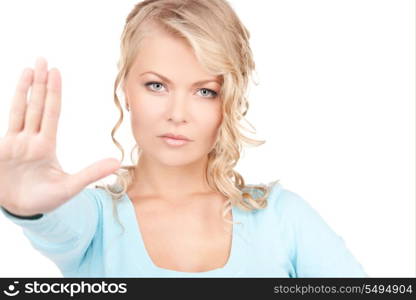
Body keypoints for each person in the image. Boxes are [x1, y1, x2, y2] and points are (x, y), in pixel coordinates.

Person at [0, 0, 367, 278]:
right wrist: (27, 207)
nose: (178, 113)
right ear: (125, 88)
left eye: (205, 91)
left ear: (231, 100)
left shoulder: (282, 218)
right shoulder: (94, 220)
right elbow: (55, 222)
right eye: (156, 85)